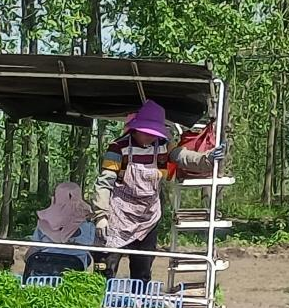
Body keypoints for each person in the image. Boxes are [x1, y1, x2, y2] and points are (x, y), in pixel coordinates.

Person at [92, 100, 225, 283]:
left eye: (153, 134)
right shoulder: (118, 148)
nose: (149, 137)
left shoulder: (163, 145)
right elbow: (104, 183)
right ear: (136, 128)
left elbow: (183, 157)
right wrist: (101, 216)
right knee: (106, 266)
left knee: (142, 270)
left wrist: (206, 158)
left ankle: (139, 304)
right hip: (119, 216)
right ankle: (100, 303)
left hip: (148, 217)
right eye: (146, 133)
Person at [25, 182, 98, 274]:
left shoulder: (43, 223)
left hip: (43, 272)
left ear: (56, 198)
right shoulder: (88, 226)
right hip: (74, 275)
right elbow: (91, 249)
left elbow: (32, 251)